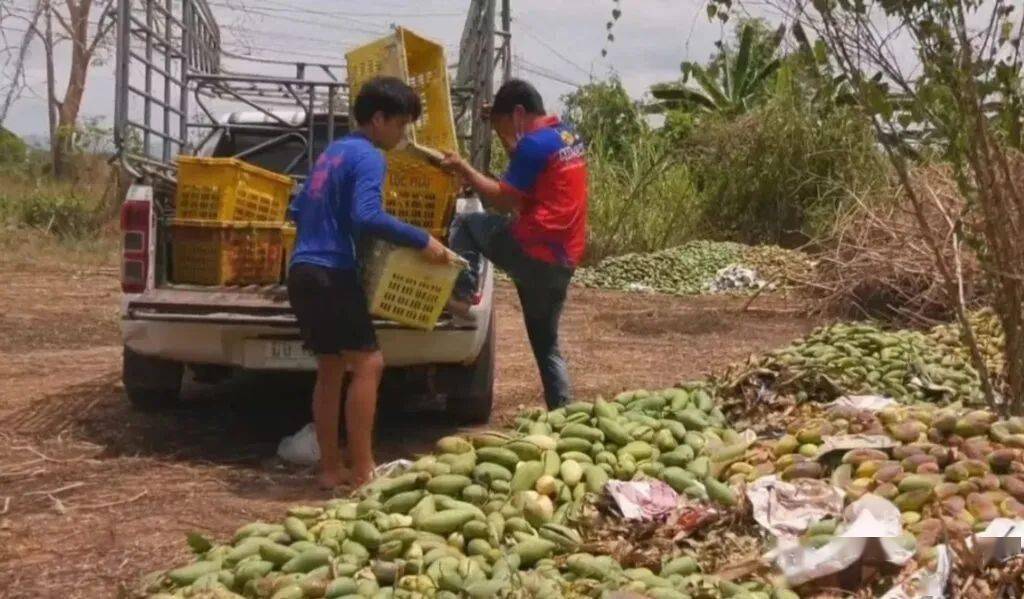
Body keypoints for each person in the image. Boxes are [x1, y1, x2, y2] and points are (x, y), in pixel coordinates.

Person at [287, 76, 449, 489]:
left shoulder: (332, 153)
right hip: (331, 271)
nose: (403, 135)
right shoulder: (370, 157)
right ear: (379, 119)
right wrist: (422, 239)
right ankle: (362, 471)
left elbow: (297, 207)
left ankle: (329, 470)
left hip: (302, 269)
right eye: (401, 125)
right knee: (369, 363)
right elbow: (367, 215)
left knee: (329, 367)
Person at [441, 79, 588, 410]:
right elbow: (524, 164)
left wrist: (463, 167)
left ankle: (462, 294)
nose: (506, 133)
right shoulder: (567, 136)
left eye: (505, 124)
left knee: (467, 222)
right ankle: (563, 415)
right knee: (546, 344)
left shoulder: (532, 146)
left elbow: (502, 201)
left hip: (532, 251)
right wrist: (503, 128)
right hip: (563, 259)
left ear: (519, 113)